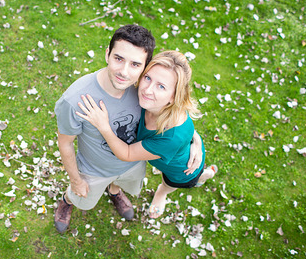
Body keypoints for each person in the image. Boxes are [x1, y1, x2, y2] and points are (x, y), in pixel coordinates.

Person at [54, 26, 202, 234]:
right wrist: (76, 180)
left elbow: (174, 119)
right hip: (94, 170)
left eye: (135, 64)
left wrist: (194, 139)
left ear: (144, 67)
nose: (124, 72)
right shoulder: (76, 100)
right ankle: (67, 199)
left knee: (121, 184)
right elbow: (65, 142)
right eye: (118, 59)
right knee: (81, 198)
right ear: (107, 53)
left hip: (132, 165)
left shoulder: (142, 92)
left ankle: (114, 191)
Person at [76, 50, 217, 219]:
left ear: (173, 97)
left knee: (175, 182)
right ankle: (205, 174)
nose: (147, 90)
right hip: (178, 151)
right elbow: (189, 130)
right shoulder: (151, 101)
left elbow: (127, 153)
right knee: (196, 171)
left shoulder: (171, 136)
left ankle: (164, 193)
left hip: (181, 171)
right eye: (148, 78)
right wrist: (197, 141)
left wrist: (103, 126)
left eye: (161, 86)